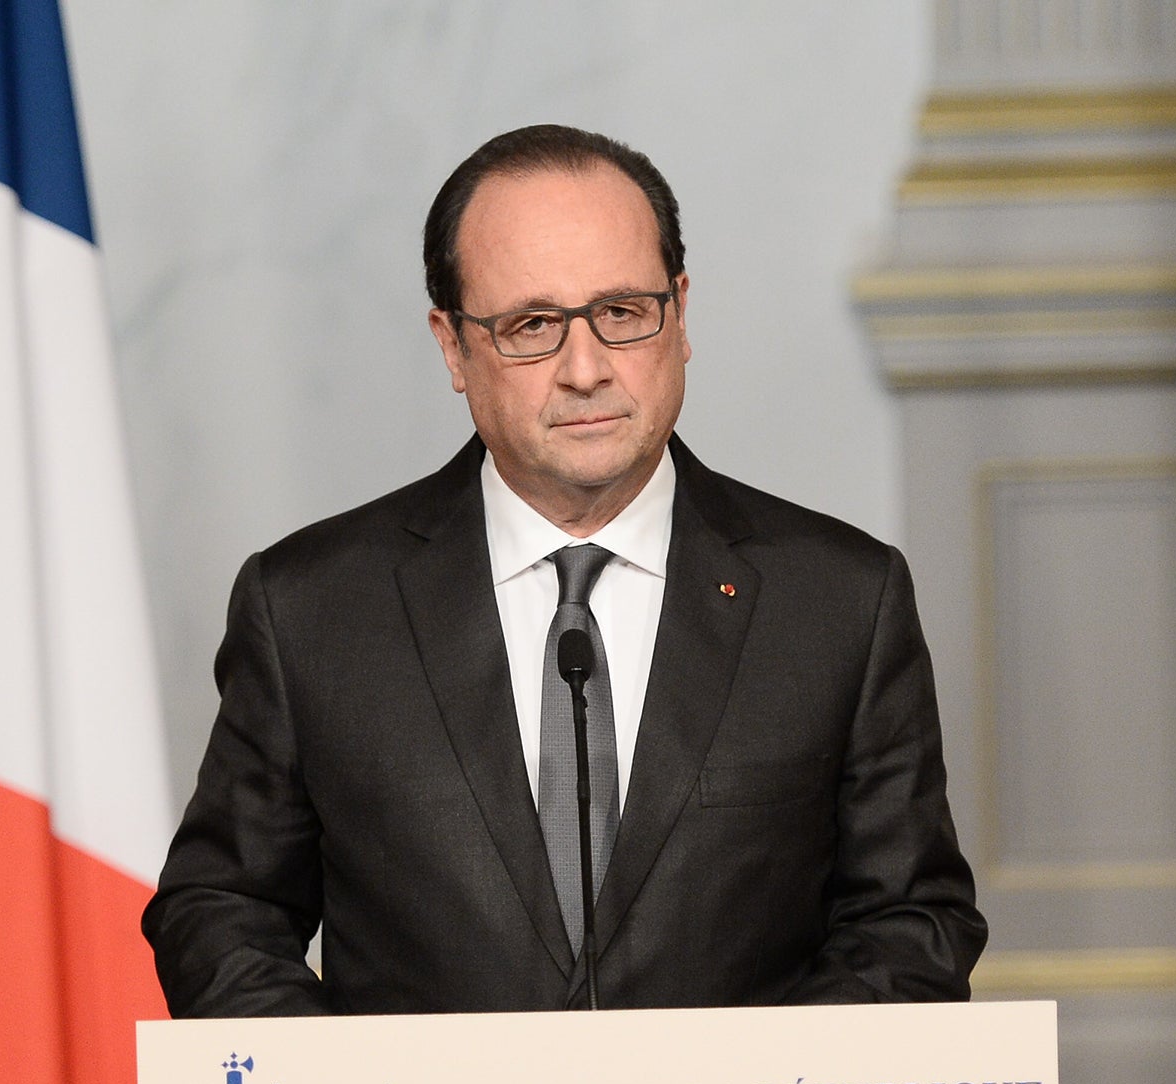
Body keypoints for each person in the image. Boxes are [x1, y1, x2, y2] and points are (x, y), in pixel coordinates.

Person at [144, 124, 985, 1018]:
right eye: (532, 327)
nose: (586, 369)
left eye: (622, 313)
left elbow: (911, 924)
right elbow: (222, 910)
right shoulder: (312, 609)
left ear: (681, 314)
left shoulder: (839, 602)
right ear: (452, 347)